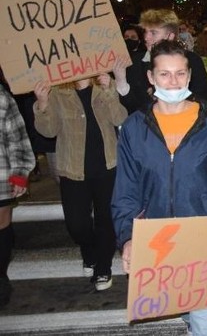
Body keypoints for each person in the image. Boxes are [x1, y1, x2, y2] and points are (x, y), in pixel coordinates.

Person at [111, 40, 207, 336]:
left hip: (205, 232)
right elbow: (126, 188)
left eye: (180, 73)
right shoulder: (134, 128)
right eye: (165, 74)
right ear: (151, 77)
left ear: (189, 75)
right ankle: (188, 320)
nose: (173, 81)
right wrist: (128, 237)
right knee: (183, 305)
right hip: (160, 237)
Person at [33, 73, 128, 291]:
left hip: (107, 164)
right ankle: (89, 249)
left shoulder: (103, 83)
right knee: (77, 224)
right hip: (72, 166)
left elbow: (120, 118)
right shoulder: (56, 89)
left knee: (106, 219)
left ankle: (103, 267)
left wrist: (109, 91)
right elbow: (48, 131)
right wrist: (43, 103)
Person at [113, 9, 207, 112]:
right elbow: (131, 109)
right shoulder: (136, 62)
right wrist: (121, 83)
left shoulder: (191, 60)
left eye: (153, 33)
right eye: (146, 32)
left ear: (170, 36)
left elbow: (204, 102)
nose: (147, 38)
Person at [0, 77, 36, 306]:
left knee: (2, 228)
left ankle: (0, 278)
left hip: (0, 174)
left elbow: (16, 136)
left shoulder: (1, 96)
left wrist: (20, 172)